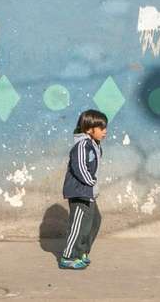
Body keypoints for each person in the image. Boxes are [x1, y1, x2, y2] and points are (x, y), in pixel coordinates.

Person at [59, 109, 107, 269]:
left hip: (89, 192)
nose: (105, 131)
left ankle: (81, 252)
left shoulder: (94, 145)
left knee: (93, 222)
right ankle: (69, 256)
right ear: (88, 129)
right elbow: (79, 167)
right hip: (80, 191)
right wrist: (91, 181)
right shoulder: (81, 145)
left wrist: (93, 187)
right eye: (101, 128)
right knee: (78, 224)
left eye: (105, 127)